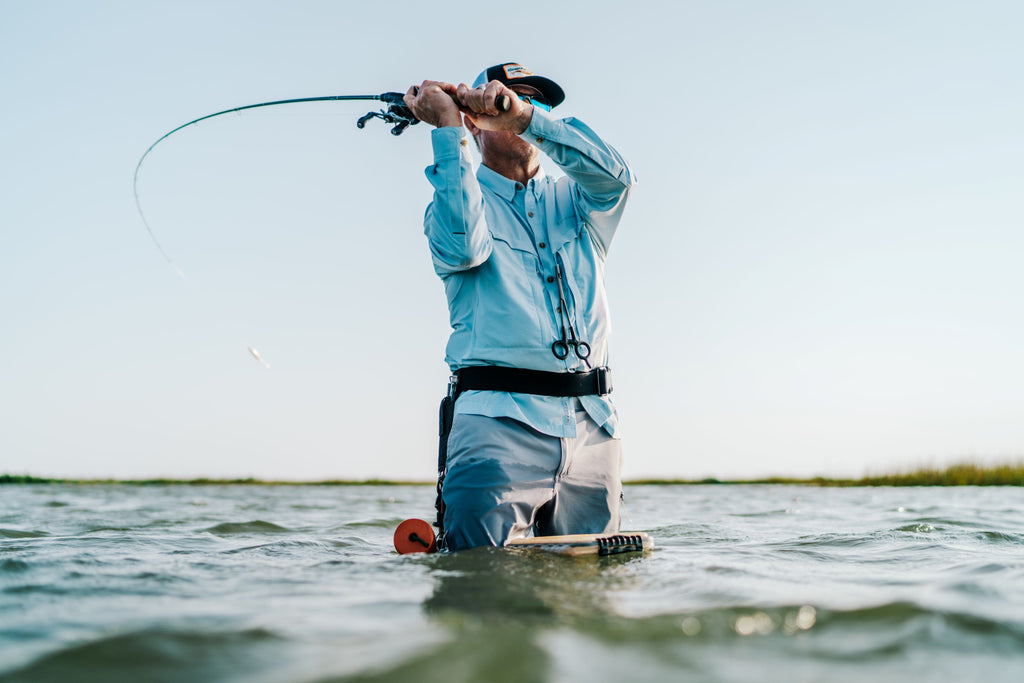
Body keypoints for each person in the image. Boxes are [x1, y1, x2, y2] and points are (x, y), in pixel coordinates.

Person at [403, 62, 636, 552]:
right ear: (474, 119)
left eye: (538, 101)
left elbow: (618, 177)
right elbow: (463, 247)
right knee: (479, 594)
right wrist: (449, 130)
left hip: (593, 427)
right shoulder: (458, 195)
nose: (527, 106)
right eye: (507, 94)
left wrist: (522, 116)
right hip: (496, 426)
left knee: (589, 601)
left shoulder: (579, 200)